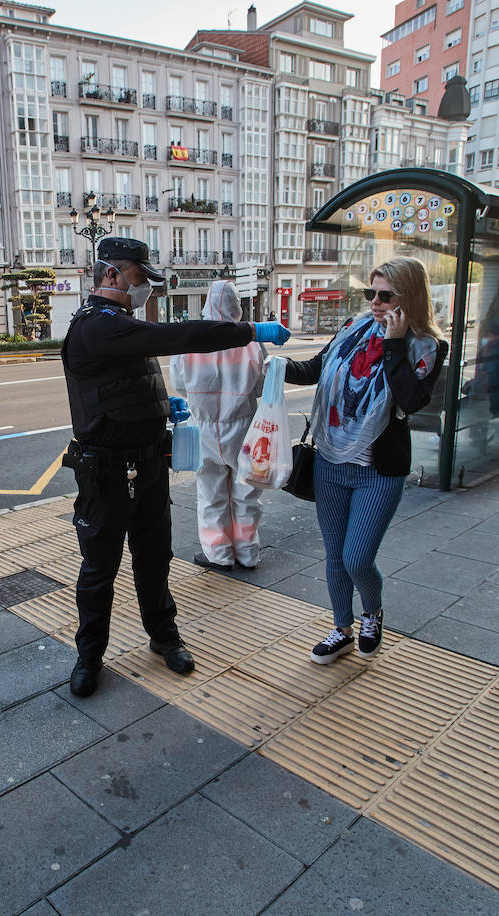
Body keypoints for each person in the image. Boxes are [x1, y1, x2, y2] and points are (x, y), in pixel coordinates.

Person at [61, 236, 291, 696]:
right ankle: (89, 657)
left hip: (147, 466)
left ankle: (164, 637)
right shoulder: (95, 326)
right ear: (113, 275)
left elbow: (129, 380)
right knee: (99, 570)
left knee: (155, 559)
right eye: (141, 278)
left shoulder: (120, 323)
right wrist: (249, 332)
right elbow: (173, 337)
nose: (145, 288)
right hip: (105, 473)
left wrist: (165, 405)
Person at [282, 257, 448, 664]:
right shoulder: (352, 329)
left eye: (385, 295)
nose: (374, 302)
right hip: (331, 463)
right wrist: (273, 367)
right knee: (335, 555)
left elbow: (412, 400)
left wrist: (393, 342)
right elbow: (315, 369)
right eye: (370, 293)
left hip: (378, 470)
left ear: (409, 296)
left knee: (358, 558)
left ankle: (372, 614)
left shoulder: (428, 345)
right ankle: (340, 627)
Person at [170, 280, 268, 571]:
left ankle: (218, 554)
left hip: (205, 429)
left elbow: (179, 384)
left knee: (211, 493)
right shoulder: (251, 340)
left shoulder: (190, 340)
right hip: (243, 428)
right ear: (236, 307)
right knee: (246, 493)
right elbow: (261, 385)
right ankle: (248, 553)